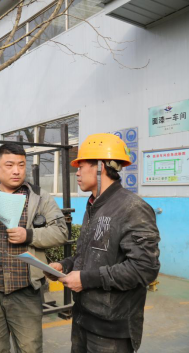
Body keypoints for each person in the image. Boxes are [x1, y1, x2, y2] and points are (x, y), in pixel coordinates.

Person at [46, 133, 160, 353]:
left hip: (111, 329)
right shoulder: (94, 205)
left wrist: (86, 279)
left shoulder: (132, 208)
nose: (77, 172)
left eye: (81, 166)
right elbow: (89, 254)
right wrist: (65, 266)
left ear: (100, 166)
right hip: (83, 317)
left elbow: (145, 269)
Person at [0, 142, 69, 353]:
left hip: (25, 290)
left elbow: (62, 231)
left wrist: (29, 235)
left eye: (21, 164)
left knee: (29, 348)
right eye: (9, 165)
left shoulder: (39, 197)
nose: (16, 170)